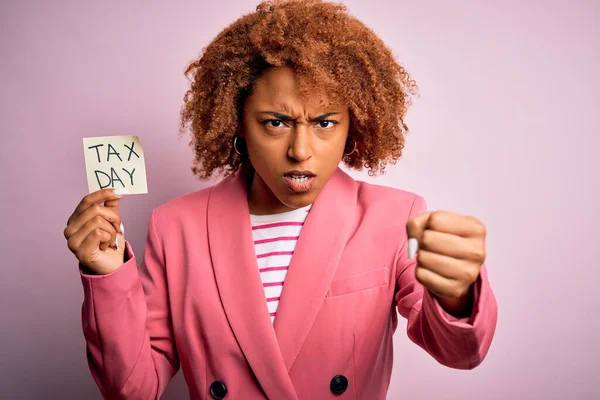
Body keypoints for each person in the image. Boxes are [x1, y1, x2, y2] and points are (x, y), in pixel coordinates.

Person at [64, 0, 498, 399]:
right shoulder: (175, 226)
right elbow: (132, 389)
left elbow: (460, 354)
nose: (301, 150)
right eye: (275, 122)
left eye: (325, 122)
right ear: (236, 123)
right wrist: (107, 278)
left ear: (354, 126)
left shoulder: (393, 216)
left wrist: (457, 297)